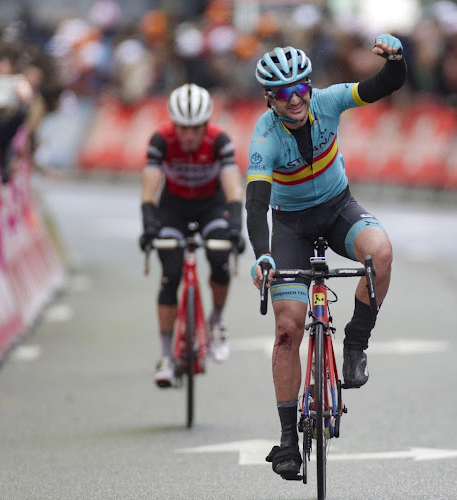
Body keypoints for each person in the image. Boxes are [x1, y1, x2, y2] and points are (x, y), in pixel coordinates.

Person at [246, 35, 406, 479]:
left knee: (382, 252)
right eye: (283, 93)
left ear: (310, 87)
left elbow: (383, 86)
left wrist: (395, 61)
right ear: (269, 99)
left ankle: (355, 343)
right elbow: (256, 205)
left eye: (301, 89)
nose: (295, 99)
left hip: (339, 209)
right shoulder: (264, 136)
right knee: (287, 328)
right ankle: (286, 441)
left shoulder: (329, 100)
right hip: (292, 226)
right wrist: (262, 255)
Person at [140, 83, 245, 388]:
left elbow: (233, 189)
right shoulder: (161, 140)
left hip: (210, 207)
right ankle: (165, 357)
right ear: (173, 124)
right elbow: (150, 190)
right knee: (170, 274)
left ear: (206, 124)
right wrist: (148, 225)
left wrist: (236, 227)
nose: (188, 135)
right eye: (182, 127)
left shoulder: (218, 141)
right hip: (174, 207)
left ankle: (216, 322)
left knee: (219, 257)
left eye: (195, 128)